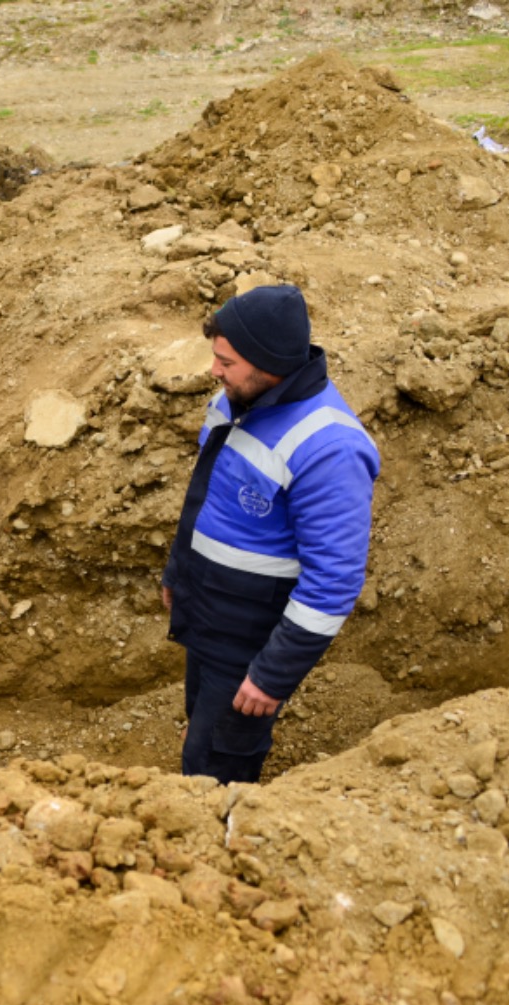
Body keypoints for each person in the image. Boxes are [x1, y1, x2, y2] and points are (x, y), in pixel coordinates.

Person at [160, 285, 380, 784]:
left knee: (217, 765)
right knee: (203, 731)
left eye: (226, 362)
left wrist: (271, 676)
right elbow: (207, 497)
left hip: (252, 641)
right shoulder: (238, 400)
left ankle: (219, 840)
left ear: (266, 364)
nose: (215, 371)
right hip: (211, 616)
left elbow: (334, 583)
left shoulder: (330, 450)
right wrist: (179, 571)